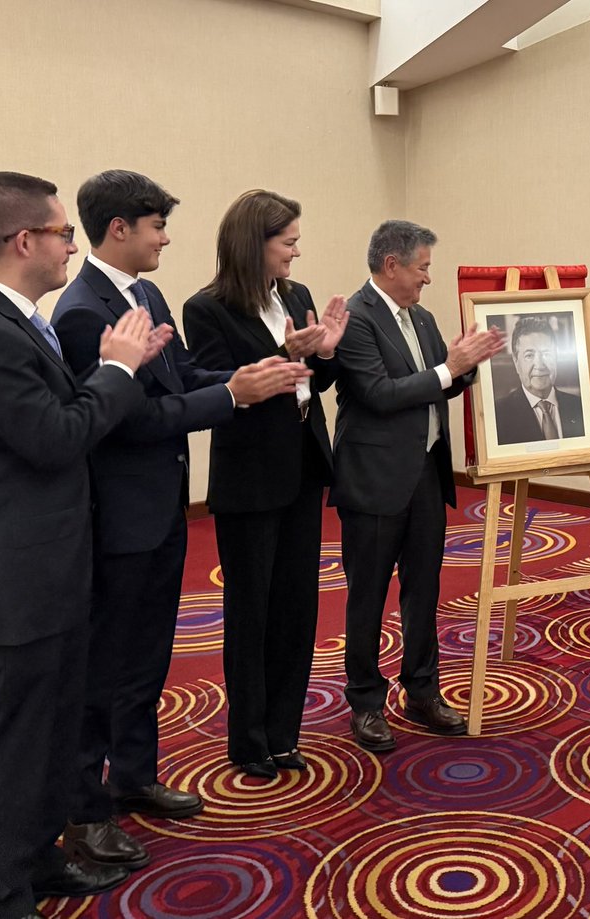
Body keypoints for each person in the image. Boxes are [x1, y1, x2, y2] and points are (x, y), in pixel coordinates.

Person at [50, 172, 309, 867]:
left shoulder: (145, 295)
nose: (166, 238)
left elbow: (183, 376)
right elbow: (129, 418)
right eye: (157, 226)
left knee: (148, 655)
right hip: (120, 515)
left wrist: (254, 377)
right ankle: (86, 810)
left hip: (161, 508)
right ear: (120, 229)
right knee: (104, 667)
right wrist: (232, 396)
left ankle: (135, 776)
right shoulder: (83, 312)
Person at [0, 171, 161, 918]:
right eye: (63, 233)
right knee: (8, 749)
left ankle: (35, 859)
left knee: (51, 733)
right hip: (17, 582)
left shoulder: (14, 319)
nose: (72, 245)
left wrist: (121, 368)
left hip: (51, 568)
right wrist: (117, 370)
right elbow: (57, 437)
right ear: (24, 240)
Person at [183, 190, 346, 777]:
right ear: (254, 244)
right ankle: (250, 740)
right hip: (250, 478)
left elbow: (314, 381)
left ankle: (285, 731)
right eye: (288, 242)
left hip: (302, 466)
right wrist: (284, 350)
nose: (296, 253)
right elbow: (213, 385)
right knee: (252, 611)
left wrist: (325, 352)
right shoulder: (207, 308)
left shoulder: (296, 296)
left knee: (298, 607)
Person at [332, 219, 505, 752]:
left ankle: (422, 690)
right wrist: (450, 368)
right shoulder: (356, 319)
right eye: (422, 268)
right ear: (392, 265)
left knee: (424, 589)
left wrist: (465, 366)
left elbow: (436, 383)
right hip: (375, 481)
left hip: (426, 474)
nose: (428, 278)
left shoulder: (422, 318)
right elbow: (380, 394)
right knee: (368, 596)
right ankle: (366, 702)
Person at [493, 314, 586, 444]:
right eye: (529, 355)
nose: (540, 365)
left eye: (547, 353)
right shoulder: (498, 415)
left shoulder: (580, 407)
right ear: (516, 362)